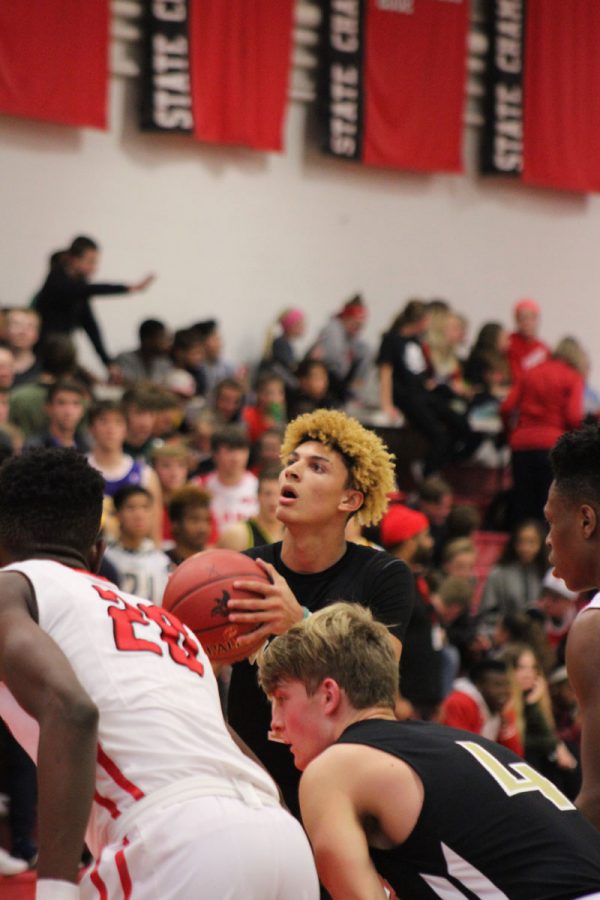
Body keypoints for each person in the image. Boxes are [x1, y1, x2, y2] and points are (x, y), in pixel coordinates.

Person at [0, 448, 319, 899]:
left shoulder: (12, 587)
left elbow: (71, 712)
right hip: (280, 835)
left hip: (173, 840)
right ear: (98, 553)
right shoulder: (164, 621)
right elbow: (238, 751)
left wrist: (54, 889)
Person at [258, 602, 600, 900]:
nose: (275, 723)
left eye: (281, 699)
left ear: (329, 695)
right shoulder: (450, 742)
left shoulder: (335, 768)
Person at [226, 408, 414, 815]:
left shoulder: (384, 574)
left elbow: (378, 680)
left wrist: (301, 623)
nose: (292, 472)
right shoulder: (245, 567)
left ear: (350, 499)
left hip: (342, 781)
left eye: (316, 467)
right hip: (250, 778)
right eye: (291, 462)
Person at [545, 422, 600, 829]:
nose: (548, 538)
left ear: (586, 521)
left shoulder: (594, 629)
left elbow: (598, 802)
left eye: (550, 521)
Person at [34, 236, 155, 370]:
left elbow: (90, 325)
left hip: (62, 348)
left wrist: (107, 362)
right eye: (90, 262)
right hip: (44, 352)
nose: (94, 268)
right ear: (74, 259)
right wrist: (127, 288)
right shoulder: (57, 280)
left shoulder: (79, 286)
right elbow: (88, 290)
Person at [502, 335, 585, 525]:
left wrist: (510, 433)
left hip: (521, 444)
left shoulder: (531, 372)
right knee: (549, 506)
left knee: (523, 504)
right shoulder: (572, 377)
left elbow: (506, 408)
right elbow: (573, 417)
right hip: (552, 445)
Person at [103, 486, 171, 604]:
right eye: (131, 508)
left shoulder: (162, 562)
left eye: (145, 508)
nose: (139, 515)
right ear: (118, 514)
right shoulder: (105, 557)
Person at [218, 466, 284, 551]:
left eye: (279, 494)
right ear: (258, 496)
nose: (273, 502)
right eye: (268, 494)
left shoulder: (293, 534)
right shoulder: (238, 534)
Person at [24, 379, 89, 452]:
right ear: (48, 408)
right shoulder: (35, 446)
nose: (69, 411)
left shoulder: (89, 444)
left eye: (76, 403)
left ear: (83, 410)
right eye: (61, 403)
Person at [166, 485, 212, 566]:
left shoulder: (214, 562)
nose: (203, 528)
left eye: (206, 520)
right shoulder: (160, 564)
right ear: (175, 524)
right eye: (194, 520)